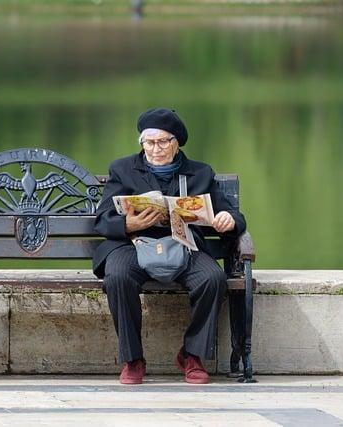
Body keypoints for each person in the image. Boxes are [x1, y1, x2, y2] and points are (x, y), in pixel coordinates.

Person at [92, 108, 246, 385]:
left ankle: (192, 355)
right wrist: (129, 225)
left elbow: (232, 216)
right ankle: (133, 359)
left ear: (177, 143)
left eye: (163, 142)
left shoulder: (199, 173)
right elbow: (103, 220)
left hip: (183, 245)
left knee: (212, 278)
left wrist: (228, 220)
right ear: (141, 143)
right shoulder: (123, 169)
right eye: (149, 142)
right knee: (117, 276)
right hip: (133, 245)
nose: (156, 149)